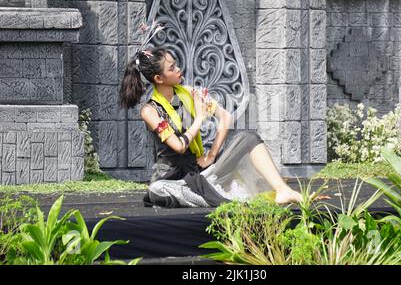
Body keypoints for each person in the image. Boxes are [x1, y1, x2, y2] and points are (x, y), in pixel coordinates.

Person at [119, 46, 302, 207]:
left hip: (201, 172)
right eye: (172, 68)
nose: (179, 69)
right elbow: (179, 146)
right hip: (172, 180)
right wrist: (199, 118)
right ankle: (215, 195)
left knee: (249, 138)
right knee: (157, 190)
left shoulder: (190, 93)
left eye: (176, 64)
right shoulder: (150, 111)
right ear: (159, 78)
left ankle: (282, 190)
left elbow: (225, 117)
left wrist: (211, 155)